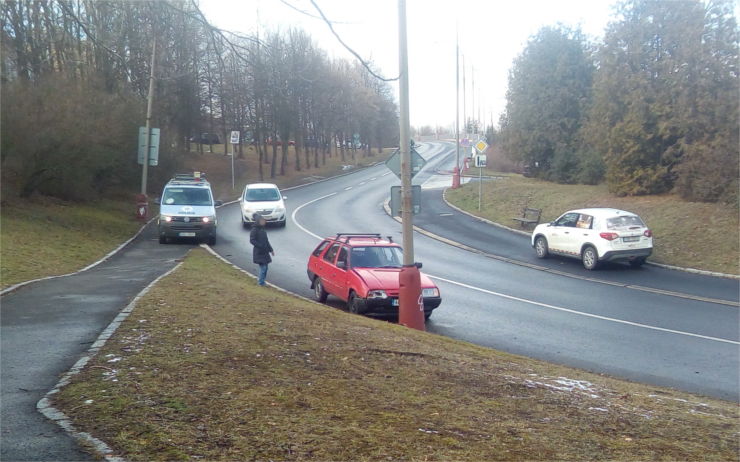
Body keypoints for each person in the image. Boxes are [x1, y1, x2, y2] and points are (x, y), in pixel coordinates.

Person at [249, 213, 274, 286]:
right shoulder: (254, 230)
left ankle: (262, 281)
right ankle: (261, 282)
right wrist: (260, 246)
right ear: (258, 221)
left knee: (265, 268)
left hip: (265, 252)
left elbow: (266, 241)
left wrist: (271, 249)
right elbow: (252, 240)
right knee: (263, 268)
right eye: (262, 221)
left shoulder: (263, 230)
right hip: (259, 252)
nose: (264, 222)